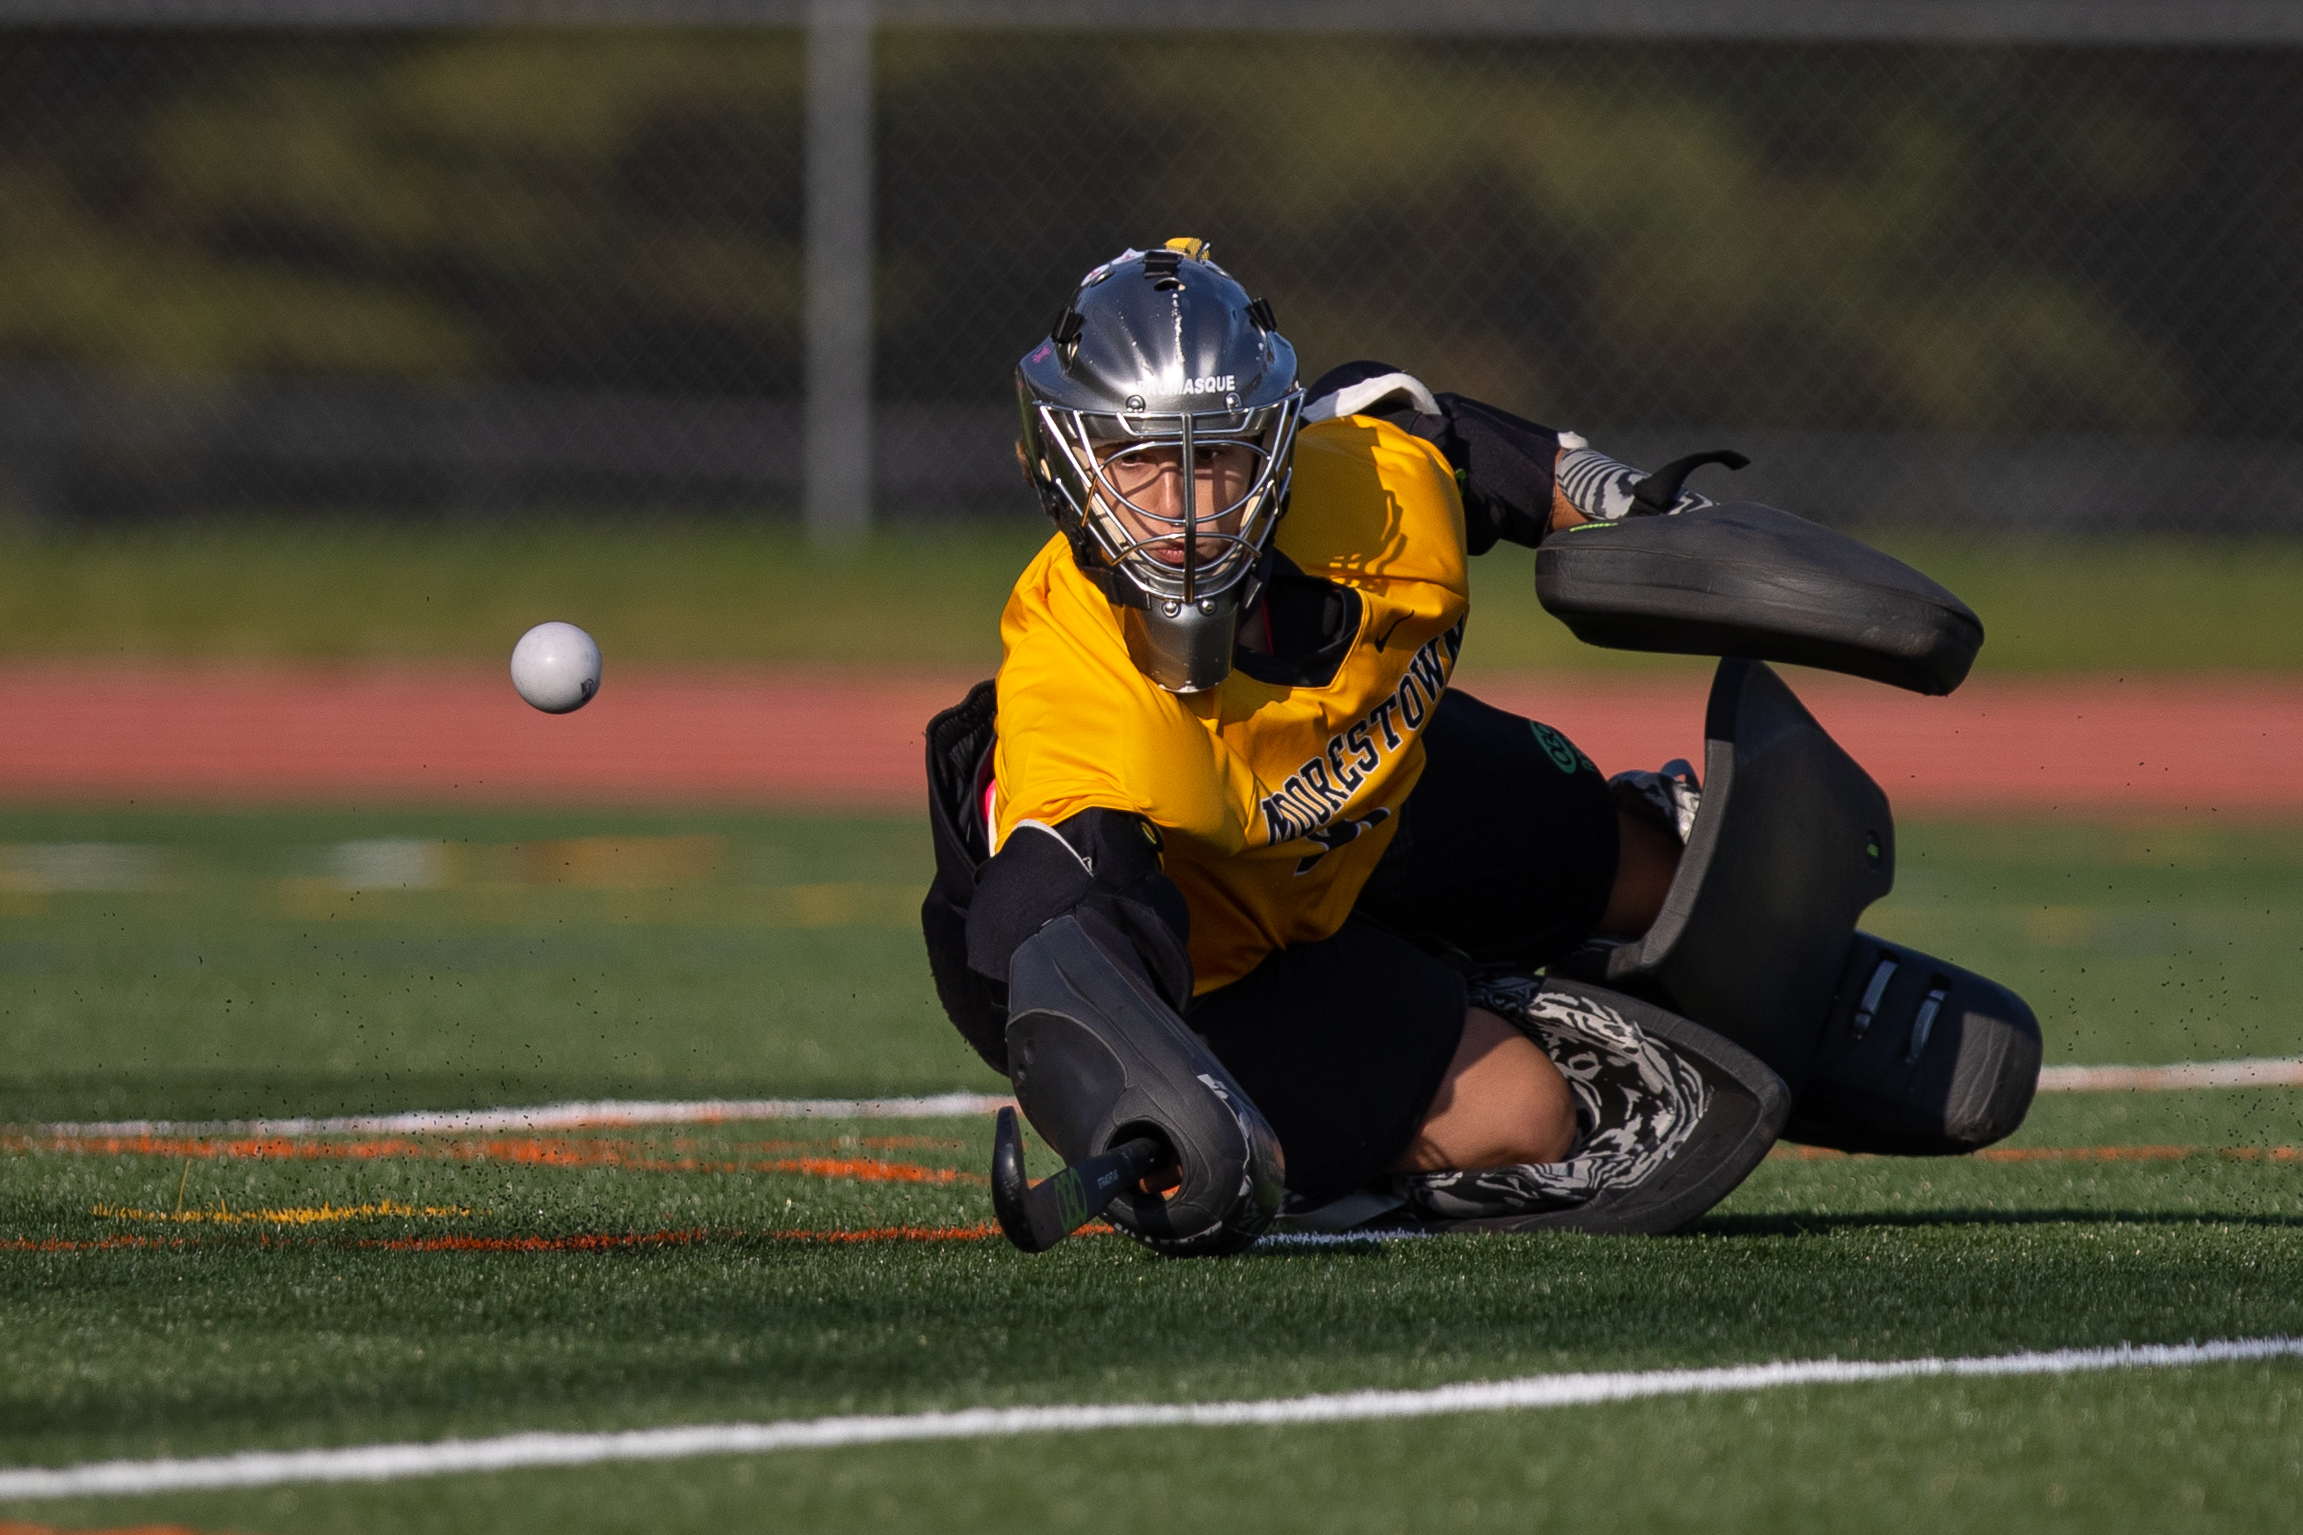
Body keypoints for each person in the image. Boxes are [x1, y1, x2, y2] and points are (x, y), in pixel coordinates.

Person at [921, 238, 1726, 1219]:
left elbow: (1479, 451)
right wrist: (1131, 1088)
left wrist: (1649, 510)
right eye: (1139, 461)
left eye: (1214, 453)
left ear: (1273, 442)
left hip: (1357, 810)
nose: (1183, 507)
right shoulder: (1077, 682)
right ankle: (1387, 1080)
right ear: (1060, 463)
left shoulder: (1366, 494)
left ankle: (1490, 948)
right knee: (1528, 1111)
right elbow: (1044, 930)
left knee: (1662, 867)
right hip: (1202, 956)